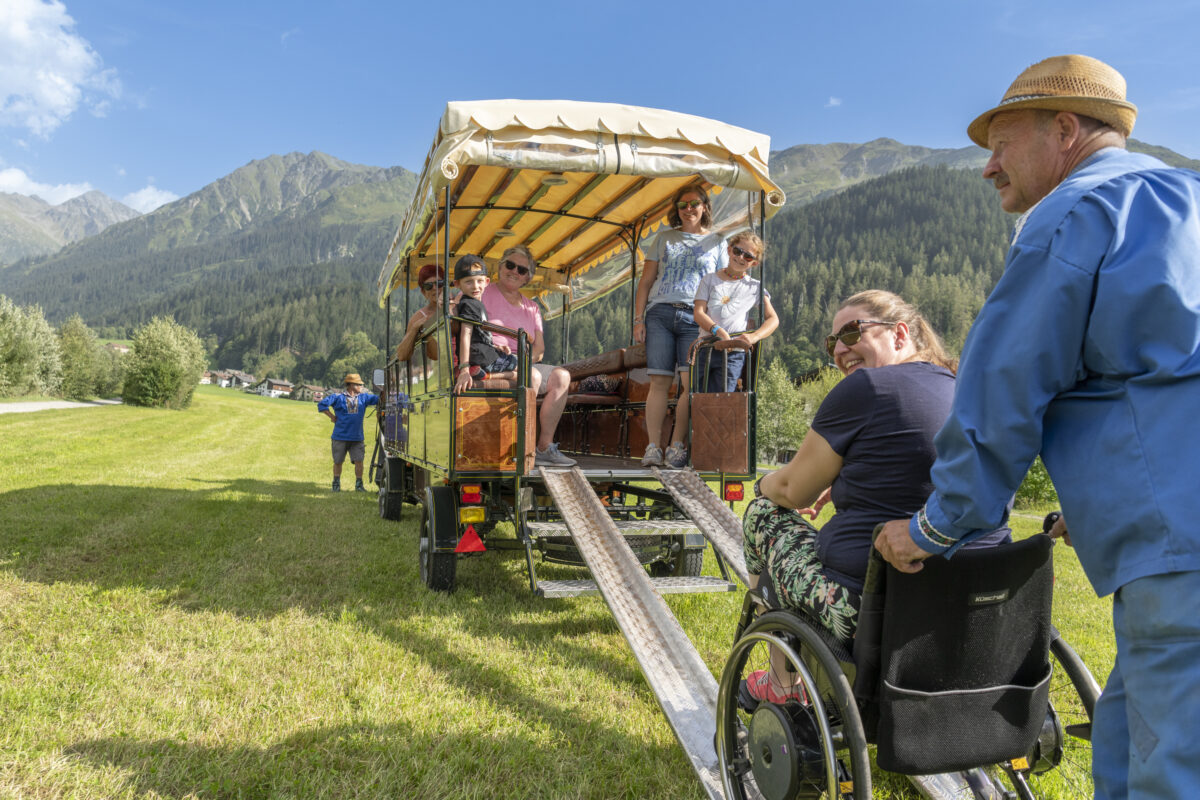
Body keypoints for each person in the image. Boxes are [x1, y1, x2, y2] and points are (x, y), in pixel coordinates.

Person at [872, 55, 1200, 799]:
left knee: (1172, 770)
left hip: (1178, 547)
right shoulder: (1187, 199)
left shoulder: (1076, 213)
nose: (988, 168)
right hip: (1171, 527)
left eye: (1002, 143)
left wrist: (935, 526)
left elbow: (1006, 388)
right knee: (1124, 732)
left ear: (1063, 130)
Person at [742, 290, 1009, 703]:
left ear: (900, 333)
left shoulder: (867, 388)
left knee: (762, 514)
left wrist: (762, 485)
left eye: (852, 332)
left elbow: (793, 491)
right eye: (832, 342)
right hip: (976, 607)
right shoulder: (965, 389)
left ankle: (782, 683)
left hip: (867, 607)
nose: (840, 349)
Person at [633, 185, 728, 467]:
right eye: (682, 205)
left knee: (689, 385)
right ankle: (652, 447)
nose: (688, 209)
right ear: (676, 210)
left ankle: (677, 446)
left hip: (695, 317)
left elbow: (721, 284)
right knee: (659, 382)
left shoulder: (718, 242)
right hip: (660, 313)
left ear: (705, 207)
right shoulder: (663, 239)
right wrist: (639, 319)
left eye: (695, 203)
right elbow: (646, 281)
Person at [480, 244, 576, 467]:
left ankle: (544, 447)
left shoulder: (532, 308)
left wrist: (521, 363)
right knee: (531, 377)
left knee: (562, 377)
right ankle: (522, 446)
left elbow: (539, 350)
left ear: (527, 278)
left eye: (522, 270)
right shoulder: (484, 292)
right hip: (493, 360)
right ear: (500, 266)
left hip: (522, 362)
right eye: (510, 265)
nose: (514, 272)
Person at [691, 231, 778, 392]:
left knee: (724, 399)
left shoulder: (755, 287)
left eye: (748, 257)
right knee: (696, 397)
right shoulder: (709, 280)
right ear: (729, 250)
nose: (741, 258)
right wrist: (718, 331)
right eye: (738, 251)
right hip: (706, 347)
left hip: (733, 353)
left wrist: (754, 336)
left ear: (754, 263)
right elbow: (699, 313)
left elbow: (773, 319)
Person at [451, 255, 517, 392]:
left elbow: (477, 334)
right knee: (522, 367)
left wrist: (494, 346)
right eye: (469, 282)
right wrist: (464, 368)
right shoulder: (468, 304)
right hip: (483, 358)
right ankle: (486, 375)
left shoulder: (475, 304)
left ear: (487, 281)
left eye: (479, 281)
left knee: (517, 367)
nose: (476, 286)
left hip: (484, 353)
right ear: (457, 284)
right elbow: (466, 335)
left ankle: (481, 372)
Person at [317, 372, 380, 492]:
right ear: (351, 385)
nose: (361, 387)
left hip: (357, 438)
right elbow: (322, 404)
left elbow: (380, 399)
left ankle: (359, 485)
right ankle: (336, 485)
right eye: (359, 385)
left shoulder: (364, 398)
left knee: (359, 461)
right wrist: (331, 416)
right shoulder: (338, 397)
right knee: (338, 461)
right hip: (340, 436)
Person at [394, 263, 450, 363]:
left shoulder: (456, 305)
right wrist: (416, 329)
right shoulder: (419, 318)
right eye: (428, 286)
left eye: (439, 283)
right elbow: (401, 355)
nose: (434, 288)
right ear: (423, 292)